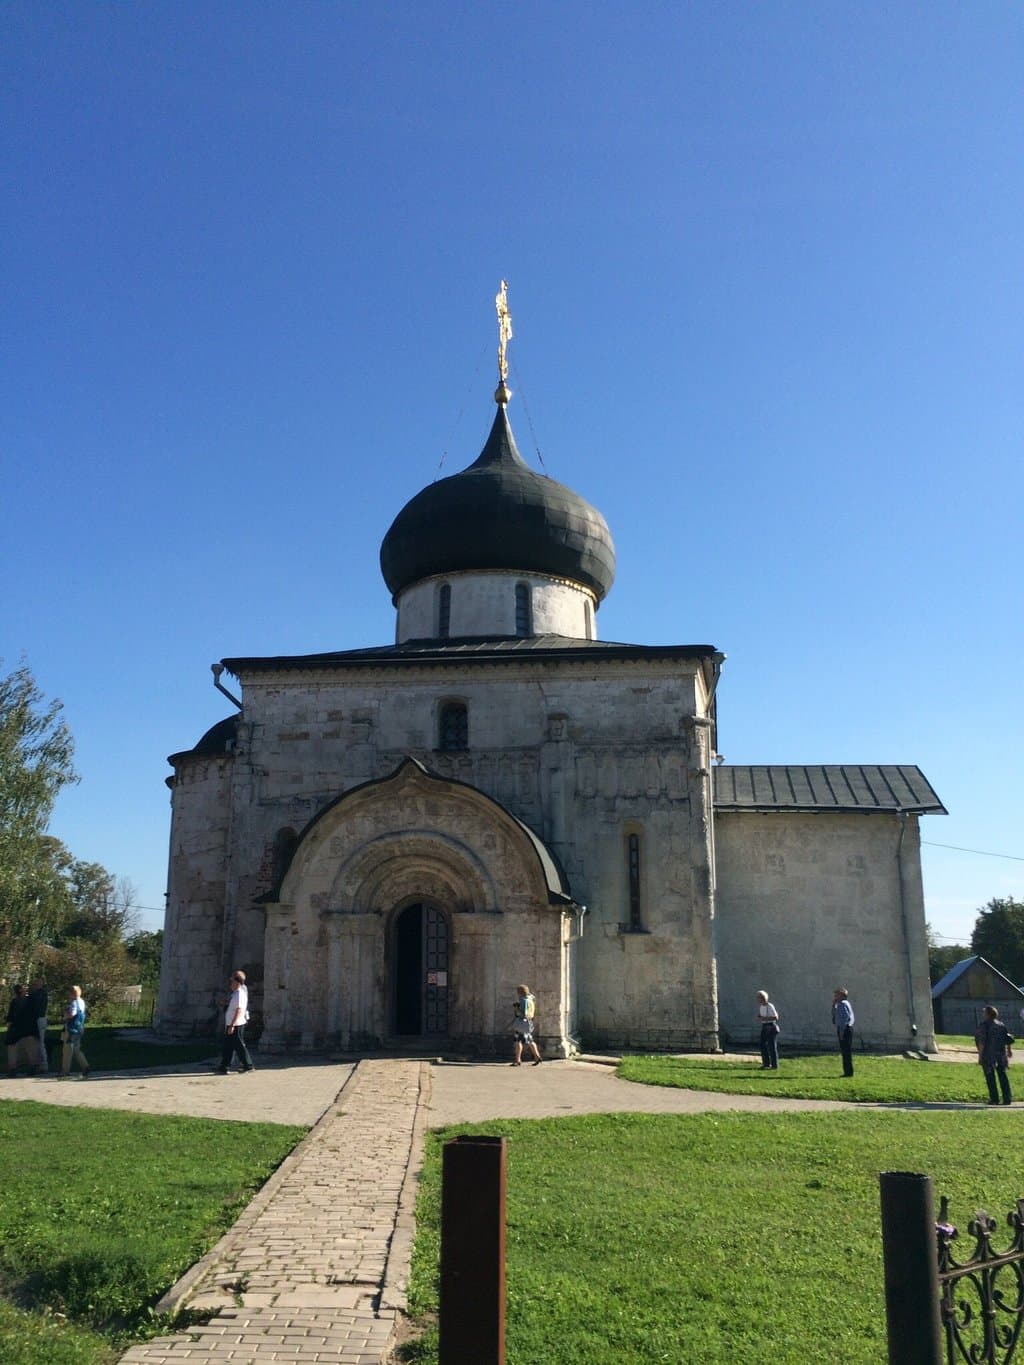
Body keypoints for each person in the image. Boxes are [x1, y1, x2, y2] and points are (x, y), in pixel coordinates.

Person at [217, 970, 255, 1074]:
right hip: (232, 1023)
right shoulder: (236, 993)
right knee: (228, 1046)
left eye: (232, 980)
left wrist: (232, 1025)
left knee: (239, 1045)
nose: (230, 983)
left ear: (237, 982)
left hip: (236, 1024)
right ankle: (224, 1067)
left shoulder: (240, 994)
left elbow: (239, 1010)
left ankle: (248, 1066)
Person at [975, 1004, 1013, 1106]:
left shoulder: (984, 1025)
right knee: (1003, 1076)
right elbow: (1008, 1039)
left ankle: (994, 1099)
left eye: (984, 1012)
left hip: (988, 1055)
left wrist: (980, 1056)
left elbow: (981, 1042)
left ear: (987, 1014)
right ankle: (1007, 1098)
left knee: (990, 1077)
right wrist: (1009, 1051)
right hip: (1001, 1054)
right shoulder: (1001, 1025)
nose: (983, 1014)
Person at [6, 984, 38, 1076]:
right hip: (29, 1027)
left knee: (13, 1048)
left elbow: (10, 1016)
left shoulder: (14, 1002)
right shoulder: (30, 1001)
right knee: (30, 1048)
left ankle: (13, 1068)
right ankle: (32, 1067)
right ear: (23, 991)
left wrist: (9, 1026)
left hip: (17, 1027)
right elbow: (34, 1013)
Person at [61, 985, 91, 1079]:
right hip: (79, 1028)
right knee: (77, 1049)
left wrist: (65, 1015)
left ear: (72, 994)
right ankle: (85, 1066)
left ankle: (65, 1071)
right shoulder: (81, 1002)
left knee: (67, 1050)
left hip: (71, 1029)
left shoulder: (74, 1003)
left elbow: (72, 1014)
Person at [511, 984, 542, 1066]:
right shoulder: (531, 999)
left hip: (522, 1023)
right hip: (528, 1022)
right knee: (530, 1040)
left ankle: (517, 1060)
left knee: (518, 1041)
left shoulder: (523, 1000)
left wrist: (516, 1009)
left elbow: (523, 1013)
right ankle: (537, 1056)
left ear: (520, 992)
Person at [832, 987, 855, 1077]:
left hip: (844, 1029)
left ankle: (848, 1072)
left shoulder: (842, 1004)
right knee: (846, 1051)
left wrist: (841, 1031)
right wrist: (834, 1005)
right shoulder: (844, 1003)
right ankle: (848, 1071)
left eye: (836, 995)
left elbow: (844, 1019)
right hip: (847, 1028)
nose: (835, 996)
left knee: (845, 1051)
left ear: (841, 995)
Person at [27, 977, 49, 1073]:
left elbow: (33, 1006)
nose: (33, 986)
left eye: (35, 984)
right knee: (39, 1042)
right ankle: (42, 1064)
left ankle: (42, 1064)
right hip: (40, 1019)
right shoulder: (42, 994)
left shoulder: (38, 994)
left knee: (39, 1042)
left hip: (38, 1019)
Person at [756, 989, 780, 1070]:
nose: (757, 999)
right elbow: (760, 1015)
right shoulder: (761, 1006)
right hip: (764, 1026)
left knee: (772, 1046)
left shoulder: (770, 1006)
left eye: (759, 997)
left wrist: (765, 1018)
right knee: (762, 1044)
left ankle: (774, 1064)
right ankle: (766, 1063)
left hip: (771, 1026)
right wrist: (760, 1017)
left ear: (763, 998)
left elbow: (776, 1017)